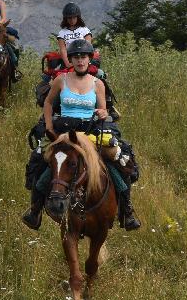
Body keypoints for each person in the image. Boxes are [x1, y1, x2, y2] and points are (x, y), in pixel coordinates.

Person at [22, 39, 141, 231]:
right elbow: (48, 103)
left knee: (118, 159)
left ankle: (127, 211)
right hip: (63, 132)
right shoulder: (61, 80)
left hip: (90, 131)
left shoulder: (98, 83)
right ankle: (35, 211)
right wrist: (49, 127)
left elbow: (103, 109)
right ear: (70, 59)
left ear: (89, 59)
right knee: (40, 157)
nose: (80, 60)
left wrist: (103, 113)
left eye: (83, 57)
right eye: (76, 57)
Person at [56, 3, 92, 69]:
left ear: (78, 17)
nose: (72, 20)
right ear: (66, 18)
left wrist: (85, 61)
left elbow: (88, 46)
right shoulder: (62, 33)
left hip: (83, 59)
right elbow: (63, 49)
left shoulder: (85, 30)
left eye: (74, 17)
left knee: (100, 74)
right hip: (70, 59)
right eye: (69, 18)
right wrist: (67, 63)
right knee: (52, 76)